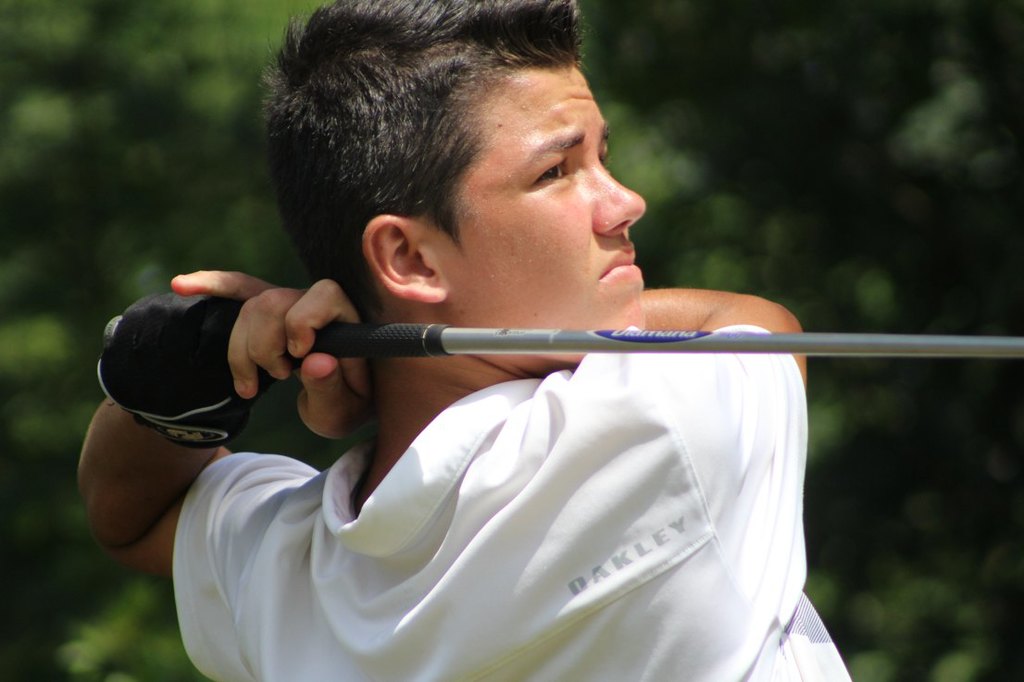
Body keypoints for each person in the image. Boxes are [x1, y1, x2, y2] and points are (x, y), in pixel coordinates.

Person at [79, 1, 851, 679]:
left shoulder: (284, 577)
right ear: (410, 259)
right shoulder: (664, 426)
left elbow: (127, 514)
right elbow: (756, 324)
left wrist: (212, 365)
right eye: (556, 172)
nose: (624, 203)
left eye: (601, 159)